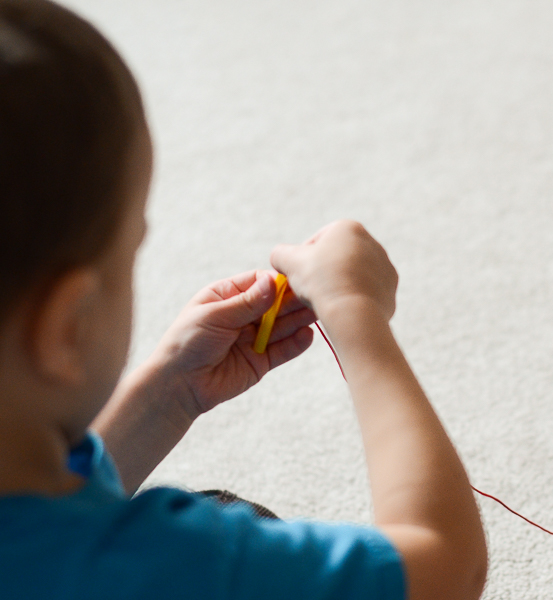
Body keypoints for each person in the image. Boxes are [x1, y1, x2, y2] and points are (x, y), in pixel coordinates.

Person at [0, 1, 488, 598]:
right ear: (70, 325)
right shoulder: (184, 562)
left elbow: (48, 517)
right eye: (132, 252)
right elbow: (446, 565)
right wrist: (357, 313)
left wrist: (169, 395)